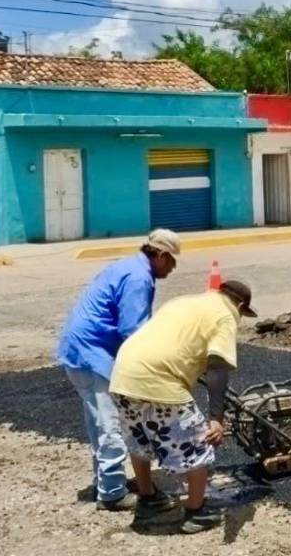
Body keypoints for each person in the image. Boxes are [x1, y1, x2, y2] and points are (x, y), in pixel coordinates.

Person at [108, 280, 258, 534]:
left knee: (140, 441)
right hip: (158, 379)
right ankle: (196, 512)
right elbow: (218, 368)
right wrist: (216, 418)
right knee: (198, 445)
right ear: (241, 305)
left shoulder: (184, 302)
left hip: (123, 374)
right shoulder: (226, 315)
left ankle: (148, 499)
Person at [56, 228, 180, 511]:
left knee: (98, 423)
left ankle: (105, 482)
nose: (173, 268)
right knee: (112, 423)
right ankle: (112, 494)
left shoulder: (127, 265)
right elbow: (133, 330)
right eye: (172, 261)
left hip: (78, 350)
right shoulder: (139, 278)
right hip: (93, 354)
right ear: (161, 255)